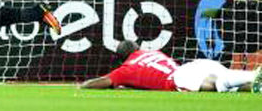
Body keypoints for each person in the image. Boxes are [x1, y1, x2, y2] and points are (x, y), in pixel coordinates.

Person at [82, 40, 262, 93]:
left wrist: (84, 85)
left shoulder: (126, 69)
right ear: (138, 48)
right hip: (196, 64)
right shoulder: (152, 53)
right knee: (233, 87)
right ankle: (254, 81)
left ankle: (254, 74)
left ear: (122, 59)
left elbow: (104, 81)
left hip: (178, 77)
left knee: (213, 84)